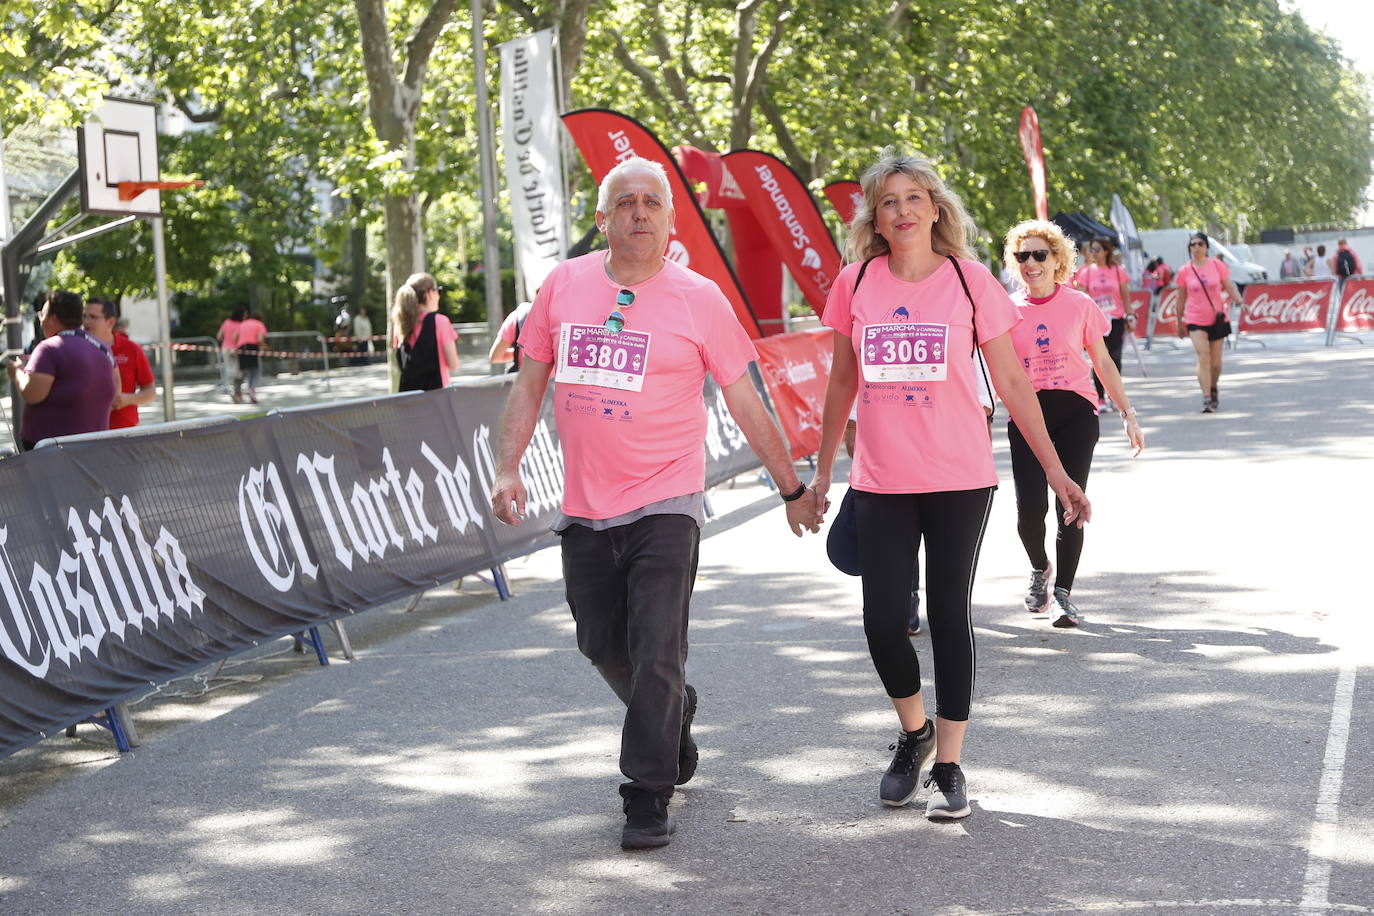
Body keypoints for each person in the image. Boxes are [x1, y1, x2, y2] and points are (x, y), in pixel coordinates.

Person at [490, 156, 822, 852]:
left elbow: (743, 398)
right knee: (599, 643)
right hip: (585, 507)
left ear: (670, 221)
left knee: (657, 648)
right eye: (626, 202)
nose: (640, 213)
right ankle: (672, 716)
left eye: (653, 202)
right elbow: (528, 385)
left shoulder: (700, 299)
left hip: (668, 502)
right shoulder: (563, 287)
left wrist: (789, 485)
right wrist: (507, 468)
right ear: (602, 220)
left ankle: (646, 793)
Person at [809, 153, 1090, 822]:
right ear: (874, 217)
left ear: (937, 209)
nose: (903, 210)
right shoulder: (855, 283)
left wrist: (1056, 470)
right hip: (880, 478)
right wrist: (820, 472)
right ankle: (914, 734)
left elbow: (1014, 384)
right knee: (882, 623)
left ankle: (951, 765)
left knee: (948, 615)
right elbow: (841, 384)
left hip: (960, 477)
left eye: (915, 197)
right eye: (888, 201)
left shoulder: (970, 282)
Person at [1003, 219, 1144, 627]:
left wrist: (1128, 414)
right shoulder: (1007, 311)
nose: (1031, 263)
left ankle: (1063, 593)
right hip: (1028, 416)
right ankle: (1039, 569)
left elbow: (1102, 362)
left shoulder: (1081, 304)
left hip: (1077, 413)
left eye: (1039, 254)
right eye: (1022, 255)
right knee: (1029, 509)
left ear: (1057, 259)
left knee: (1070, 502)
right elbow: (997, 370)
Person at [6, 290, 118, 450]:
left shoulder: (49, 348)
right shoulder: (103, 348)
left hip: (53, 453)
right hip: (94, 449)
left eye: (42, 314)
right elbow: (116, 389)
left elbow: (32, 394)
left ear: (53, 319)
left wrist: (17, 372)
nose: (41, 320)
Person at [1175, 232, 1244, 413]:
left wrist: (1239, 301)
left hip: (1217, 318)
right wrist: (1178, 322)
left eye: (1200, 244)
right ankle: (1206, 397)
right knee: (1203, 357)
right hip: (1194, 319)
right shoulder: (1184, 271)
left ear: (1206, 248)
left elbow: (1229, 286)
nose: (1196, 248)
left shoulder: (1217, 265)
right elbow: (1180, 298)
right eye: (1193, 245)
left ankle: (1213, 388)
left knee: (1216, 363)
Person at [1072, 237, 1132, 405]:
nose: (1093, 253)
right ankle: (1100, 397)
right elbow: (1080, 297)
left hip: (1116, 318)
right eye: (1091, 250)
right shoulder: (1087, 272)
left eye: (1097, 249)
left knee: (1115, 357)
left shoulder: (1118, 271)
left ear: (1106, 251)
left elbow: (1126, 296)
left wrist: (1131, 315)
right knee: (1099, 358)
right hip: (1096, 321)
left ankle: (1115, 396)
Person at [82, 296, 155, 428]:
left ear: (110, 322)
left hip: (123, 432)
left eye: (93, 317)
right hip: (88, 430)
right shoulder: (77, 348)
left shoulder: (131, 349)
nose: (86, 322)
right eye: (84, 316)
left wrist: (127, 400)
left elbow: (150, 392)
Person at [392, 273, 460, 391]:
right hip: (436, 397)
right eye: (438, 290)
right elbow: (453, 365)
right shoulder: (440, 322)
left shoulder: (400, 325)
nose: (439, 295)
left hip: (408, 398)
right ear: (429, 293)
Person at [487, 300, 533, 373]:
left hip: (527, 378)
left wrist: (520, 353)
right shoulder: (556, 315)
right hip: (555, 380)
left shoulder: (518, 316)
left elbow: (495, 356)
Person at [234, 311, 268, 404]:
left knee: (248, 371)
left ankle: (248, 390)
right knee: (257, 370)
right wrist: (264, 346)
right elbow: (260, 339)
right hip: (252, 347)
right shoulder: (260, 324)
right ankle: (252, 390)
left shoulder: (243, 323)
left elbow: (234, 337)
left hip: (241, 348)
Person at [217, 307, 244, 396]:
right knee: (237, 369)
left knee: (227, 368)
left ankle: (227, 386)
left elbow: (219, 336)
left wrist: (225, 341)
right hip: (235, 349)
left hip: (225, 348)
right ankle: (236, 389)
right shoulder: (241, 324)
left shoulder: (226, 322)